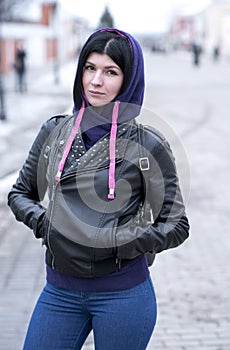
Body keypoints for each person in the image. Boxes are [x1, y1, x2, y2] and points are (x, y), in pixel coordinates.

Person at [8, 28, 190, 350]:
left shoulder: (147, 145)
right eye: (90, 68)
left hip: (123, 296)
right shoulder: (54, 131)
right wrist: (45, 223)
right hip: (59, 292)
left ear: (128, 80)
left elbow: (177, 224)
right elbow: (20, 193)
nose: (96, 81)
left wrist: (124, 241)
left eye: (110, 72)